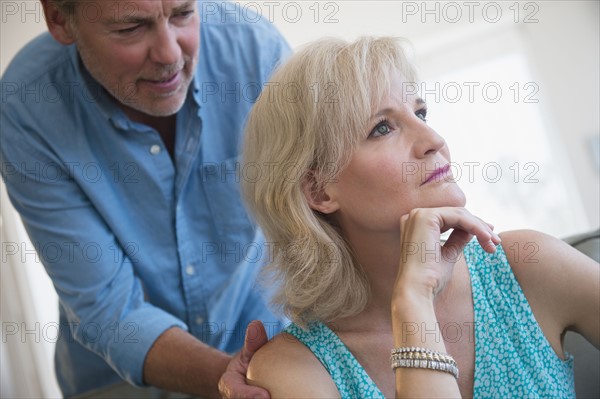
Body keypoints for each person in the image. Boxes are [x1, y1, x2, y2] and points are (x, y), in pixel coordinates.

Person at [241, 37, 600, 398]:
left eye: (421, 113)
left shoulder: (527, 265)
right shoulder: (293, 369)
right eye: (382, 128)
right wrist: (413, 300)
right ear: (319, 190)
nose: (434, 139)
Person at [0, 0, 290, 397]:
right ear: (60, 19)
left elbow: (325, 216)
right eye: (130, 28)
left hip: (268, 342)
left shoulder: (255, 52)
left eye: (183, 13)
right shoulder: (26, 108)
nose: (170, 54)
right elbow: (110, 309)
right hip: (119, 381)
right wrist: (232, 380)